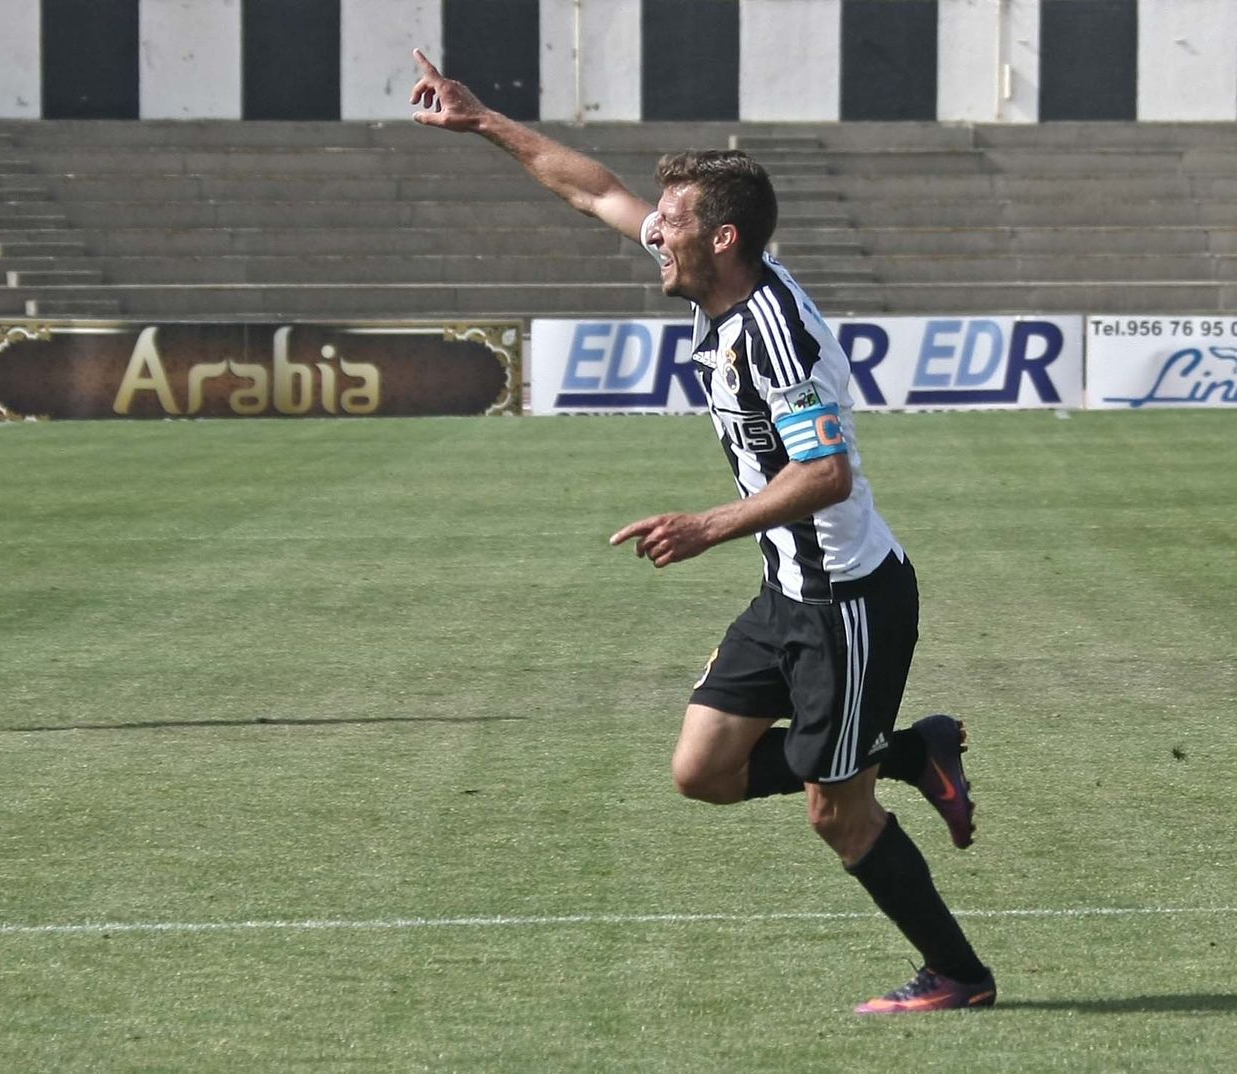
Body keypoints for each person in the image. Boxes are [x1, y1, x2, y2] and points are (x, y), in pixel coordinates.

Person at [410, 51, 993, 1014]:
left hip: (847, 599)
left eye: (672, 223)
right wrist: (483, 123)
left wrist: (707, 524)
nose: (654, 234)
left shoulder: (775, 337)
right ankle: (910, 747)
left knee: (834, 815)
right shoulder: (717, 275)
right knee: (705, 771)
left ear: (722, 238)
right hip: (789, 590)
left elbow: (827, 473)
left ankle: (960, 976)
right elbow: (593, 190)